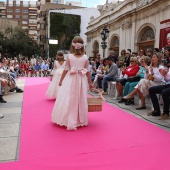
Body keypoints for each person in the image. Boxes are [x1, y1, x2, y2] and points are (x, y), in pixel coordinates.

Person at [51, 36, 93, 130]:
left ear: (73, 45)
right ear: (82, 46)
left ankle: (67, 118)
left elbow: (66, 70)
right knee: (80, 99)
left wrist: (61, 80)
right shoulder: (85, 57)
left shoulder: (69, 57)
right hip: (81, 80)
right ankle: (79, 119)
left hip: (71, 79)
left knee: (69, 98)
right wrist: (90, 83)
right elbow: (87, 71)